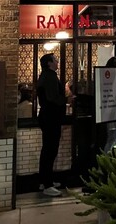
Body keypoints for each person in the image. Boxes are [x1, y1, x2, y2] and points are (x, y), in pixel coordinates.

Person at [36, 53, 66, 197]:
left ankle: (44, 181)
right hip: (51, 117)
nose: (57, 62)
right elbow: (52, 97)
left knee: (47, 150)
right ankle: (47, 185)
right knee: (50, 150)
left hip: (47, 117)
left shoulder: (45, 76)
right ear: (49, 63)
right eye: (55, 60)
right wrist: (66, 99)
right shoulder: (50, 77)